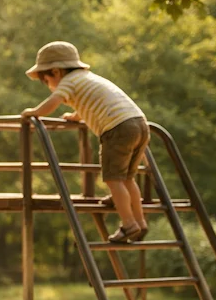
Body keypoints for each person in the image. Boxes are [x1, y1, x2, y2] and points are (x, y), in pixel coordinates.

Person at [21, 41, 150, 243]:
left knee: (112, 179)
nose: (49, 87)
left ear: (55, 72)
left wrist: (34, 112)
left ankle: (128, 225)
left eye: (46, 81)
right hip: (139, 123)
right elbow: (95, 102)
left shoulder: (68, 82)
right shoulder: (87, 79)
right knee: (127, 178)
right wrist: (76, 116)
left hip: (117, 128)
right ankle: (140, 223)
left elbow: (53, 103)